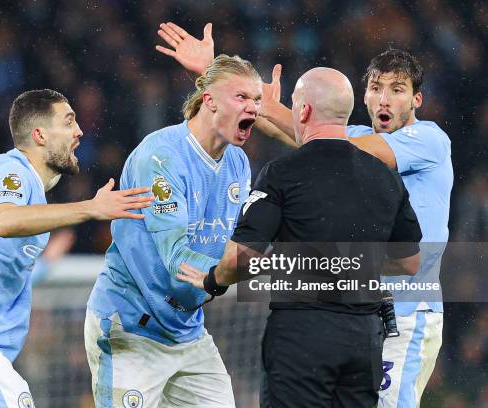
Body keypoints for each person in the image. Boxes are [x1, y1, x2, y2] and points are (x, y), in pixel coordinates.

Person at [157, 24, 452, 407]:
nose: (384, 99)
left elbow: (321, 137)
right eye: (376, 88)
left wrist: (286, 114)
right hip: (357, 311)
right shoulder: (352, 136)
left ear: (417, 101)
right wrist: (214, 77)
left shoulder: (429, 139)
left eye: (397, 90)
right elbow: (309, 130)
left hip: (409, 308)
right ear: (361, 95)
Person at [0, 89, 153, 408]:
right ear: (39, 134)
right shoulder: (10, 171)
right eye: (68, 122)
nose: (79, 131)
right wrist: (89, 208)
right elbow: (6, 220)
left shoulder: (33, 194)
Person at [84, 55, 260, 407]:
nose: (253, 108)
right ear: (209, 100)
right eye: (242, 97)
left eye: (257, 100)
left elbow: (229, 246)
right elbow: (177, 259)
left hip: (187, 332)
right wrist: (234, 272)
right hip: (131, 327)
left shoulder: (238, 163)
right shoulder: (162, 157)